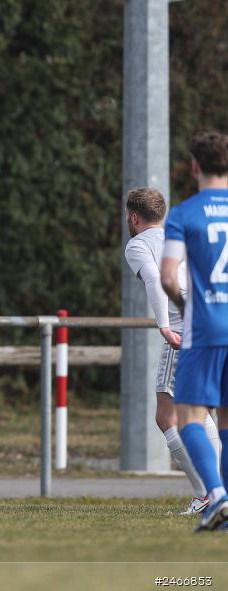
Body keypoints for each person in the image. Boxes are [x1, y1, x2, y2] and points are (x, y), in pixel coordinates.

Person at [124, 186, 220, 515]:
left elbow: (154, 279)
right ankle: (218, 489)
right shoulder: (179, 237)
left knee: (166, 417)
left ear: (133, 217)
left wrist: (164, 325)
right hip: (209, 324)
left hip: (182, 329)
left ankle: (207, 492)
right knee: (204, 411)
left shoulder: (137, 244)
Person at [161, 131, 228, 532]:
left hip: (206, 329)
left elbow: (170, 276)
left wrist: (187, 307)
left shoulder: (184, 214)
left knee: (188, 415)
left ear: (195, 167)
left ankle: (217, 495)